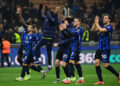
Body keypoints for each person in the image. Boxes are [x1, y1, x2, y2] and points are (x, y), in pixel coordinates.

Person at [91, 14, 120, 85]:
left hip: (105, 49)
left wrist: (97, 23)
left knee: (105, 65)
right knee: (96, 63)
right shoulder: (103, 26)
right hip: (99, 49)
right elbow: (93, 29)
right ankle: (100, 81)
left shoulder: (110, 27)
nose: (104, 19)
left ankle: (118, 75)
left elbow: (100, 29)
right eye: (104, 18)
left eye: (106, 18)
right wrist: (95, 22)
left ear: (109, 20)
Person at [35, 4, 60, 72]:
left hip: (49, 38)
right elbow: (39, 16)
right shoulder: (46, 19)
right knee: (37, 47)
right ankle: (39, 60)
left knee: (48, 52)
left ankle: (49, 65)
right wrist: (40, 9)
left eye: (47, 14)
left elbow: (49, 17)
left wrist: (46, 10)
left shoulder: (53, 21)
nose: (46, 15)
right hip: (44, 37)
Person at [62, 18, 84, 84]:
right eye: (74, 21)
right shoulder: (74, 29)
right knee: (77, 63)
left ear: (79, 22)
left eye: (76, 21)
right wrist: (63, 30)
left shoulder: (80, 29)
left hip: (76, 48)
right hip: (72, 48)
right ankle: (81, 79)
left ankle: (68, 79)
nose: (74, 22)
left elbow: (72, 35)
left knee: (71, 62)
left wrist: (65, 28)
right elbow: (68, 35)